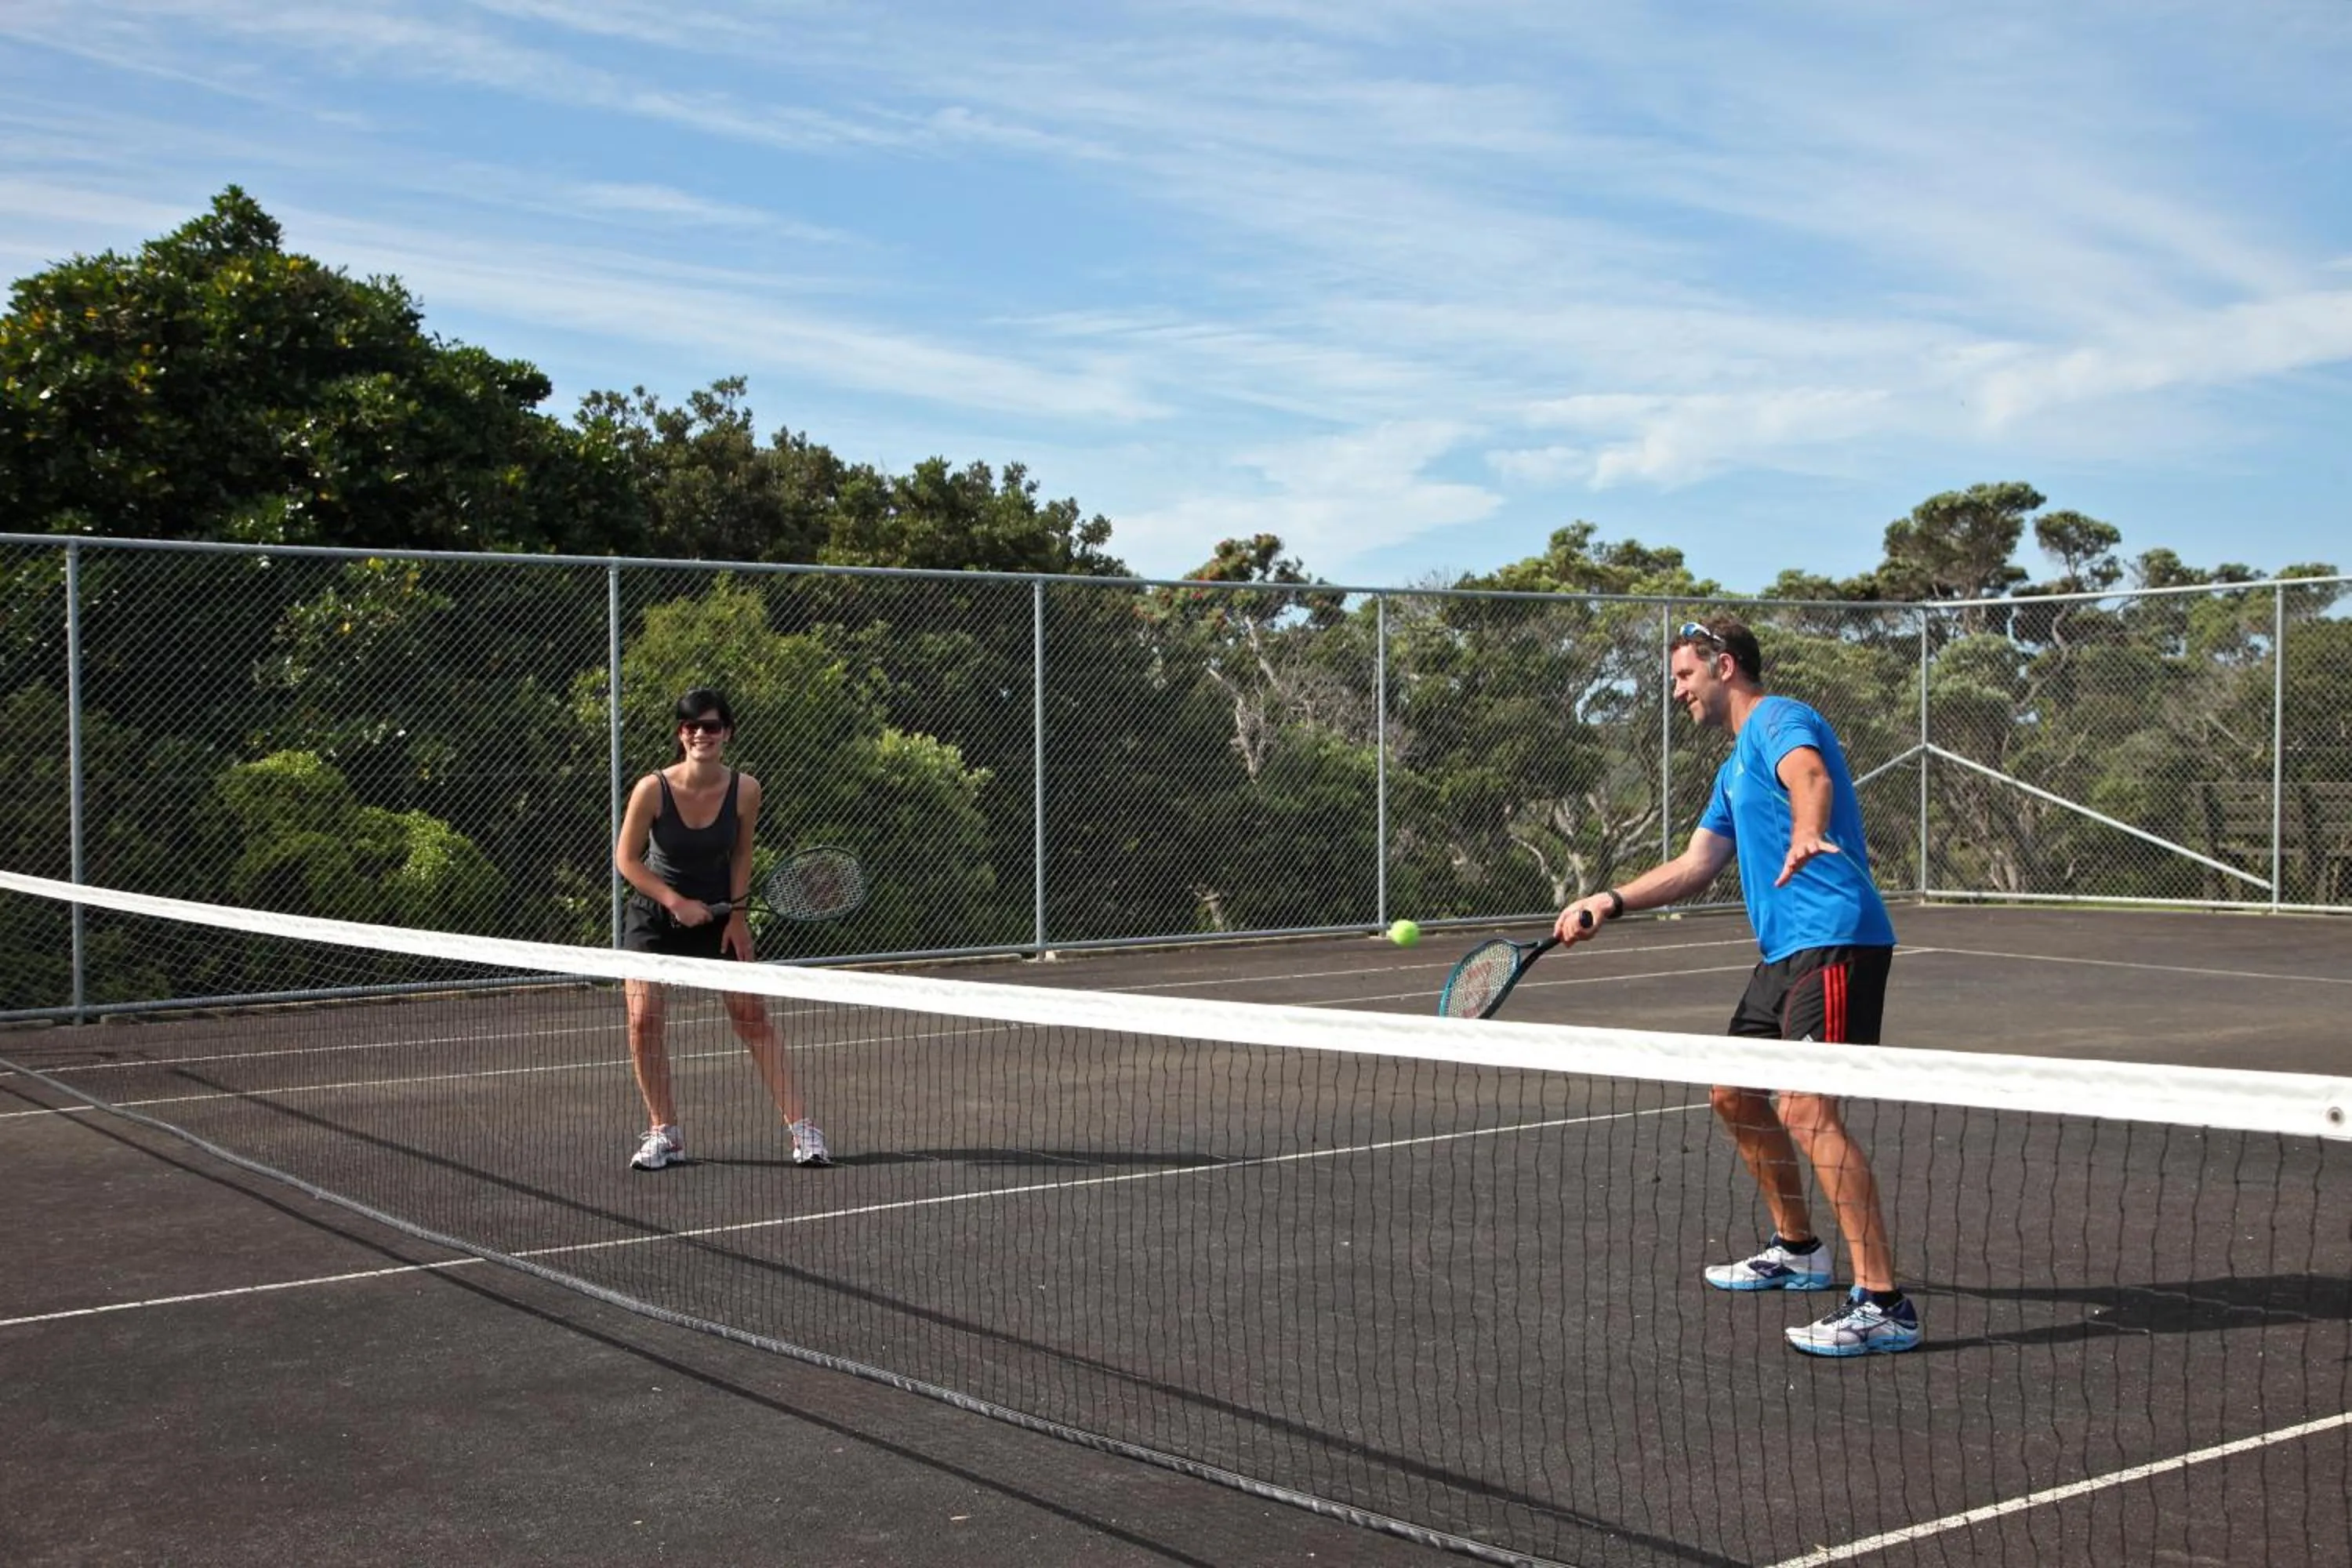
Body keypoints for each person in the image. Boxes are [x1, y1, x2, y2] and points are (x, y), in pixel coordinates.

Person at [1552, 617, 1916, 1356]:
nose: (1678, 690)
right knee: (1733, 1092)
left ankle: (1884, 1304)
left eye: (1685, 676)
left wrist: (1809, 830)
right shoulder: (1730, 771)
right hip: (1786, 953)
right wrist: (1609, 901)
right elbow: (1694, 867)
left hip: (1836, 940)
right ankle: (1799, 1250)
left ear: (1723, 666)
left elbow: (1809, 776)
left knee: (1807, 1107)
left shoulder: (1780, 720)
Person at [614, 688, 829, 1171]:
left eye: (711, 726)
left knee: (751, 1017)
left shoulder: (746, 790)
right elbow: (626, 860)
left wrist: (737, 916)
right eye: (690, 726)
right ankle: (664, 1132)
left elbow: (741, 854)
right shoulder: (653, 789)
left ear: (727, 733)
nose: (700, 734)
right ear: (680, 734)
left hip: (717, 914)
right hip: (653, 914)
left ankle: (803, 1130)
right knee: (643, 1018)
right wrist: (674, 902)